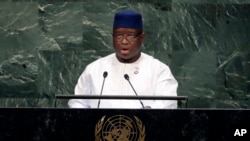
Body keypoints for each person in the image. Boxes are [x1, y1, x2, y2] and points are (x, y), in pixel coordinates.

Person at [68, 10, 178, 109]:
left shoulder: (159, 70)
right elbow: (77, 102)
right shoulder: (94, 69)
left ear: (141, 38)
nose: (124, 42)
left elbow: (168, 103)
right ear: (112, 37)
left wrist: (149, 113)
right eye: (119, 36)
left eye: (130, 36)